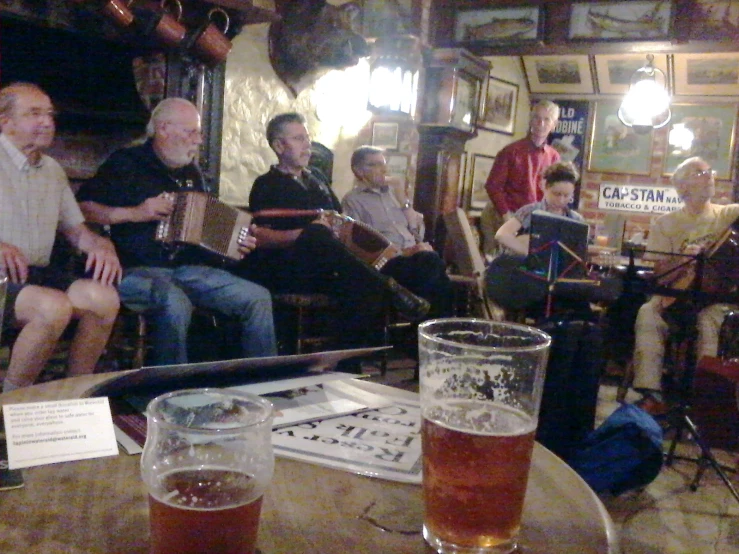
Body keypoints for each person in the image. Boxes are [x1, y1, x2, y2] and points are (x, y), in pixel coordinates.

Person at [77, 97, 277, 366]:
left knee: (257, 298)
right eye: (190, 131)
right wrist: (136, 212)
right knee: (175, 301)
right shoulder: (126, 163)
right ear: (163, 129)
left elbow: (205, 229)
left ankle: (263, 380)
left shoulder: (192, 173)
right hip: (133, 268)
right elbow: (83, 207)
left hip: (187, 269)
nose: (198, 140)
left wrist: (235, 244)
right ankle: (170, 389)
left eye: (199, 133)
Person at [240, 113, 429, 351]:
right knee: (327, 246)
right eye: (299, 139)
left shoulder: (317, 178)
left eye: (307, 138)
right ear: (279, 146)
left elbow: (343, 223)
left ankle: (426, 347)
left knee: (425, 262)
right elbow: (260, 237)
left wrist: (388, 251)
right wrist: (309, 233)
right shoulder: (265, 184)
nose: (307, 145)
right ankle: (387, 289)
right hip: (292, 267)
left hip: (335, 263)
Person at [0, 82, 122, 392]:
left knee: (102, 299)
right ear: (5, 121)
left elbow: (76, 230)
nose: (46, 122)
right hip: (3, 280)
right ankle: (12, 400)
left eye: (49, 115)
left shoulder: (52, 169)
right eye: (34, 113)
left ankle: (74, 394)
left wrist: (99, 243)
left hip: (36, 276)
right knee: (51, 307)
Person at [632, 157, 739, 414]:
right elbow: (657, 274)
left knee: (709, 319)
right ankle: (652, 394)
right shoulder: (665, 223)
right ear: (683, 188)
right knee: (648, 313)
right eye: (700, 173)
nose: (709, 176)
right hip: (675, 294)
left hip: (714, 297)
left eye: (710, 171)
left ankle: (704, 399)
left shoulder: (726, 214)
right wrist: (686, 257)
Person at [342, 146, 453, 318]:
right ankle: (433, 329)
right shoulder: (353, 200)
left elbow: (416, 232)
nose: (384, 169)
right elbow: (357, 242)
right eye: (376, 164)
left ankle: (424, 327)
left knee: (433, 267)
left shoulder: (393, 195)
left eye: (384, 164)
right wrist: (404, 252)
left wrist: (403, 198)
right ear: (359, 171)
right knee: (434, 267)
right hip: (385, 263)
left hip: (415, 258)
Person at [484, 100, 561, 248]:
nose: (541, 123)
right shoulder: (510, 151)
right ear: (530, 120)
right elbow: (493, 186)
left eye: (547, 119)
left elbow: (552, 193)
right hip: (506, 215)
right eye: (537, 118)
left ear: (554, 125)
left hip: (535, 220)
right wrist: (506, 217)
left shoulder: (554, 157)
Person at [495, 161, 584, 256]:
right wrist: (528, 252)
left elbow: (581, 248)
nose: (561, 200)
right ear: (545, 187)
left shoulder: (576, 219)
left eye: (566, 195)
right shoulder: (530, 211)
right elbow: (502, 234)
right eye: (556, 194)